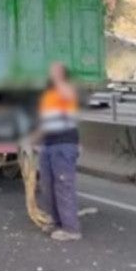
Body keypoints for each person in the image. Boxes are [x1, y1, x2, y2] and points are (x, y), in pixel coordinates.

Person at [35, 61, 81, 241]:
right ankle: (56, 221)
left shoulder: (67, 90)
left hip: (64, 144)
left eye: (57, 71)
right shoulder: (48, 96)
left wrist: (59, 78)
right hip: (48, 144)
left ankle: (71, 229)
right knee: (48, 185)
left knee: (63, 185)